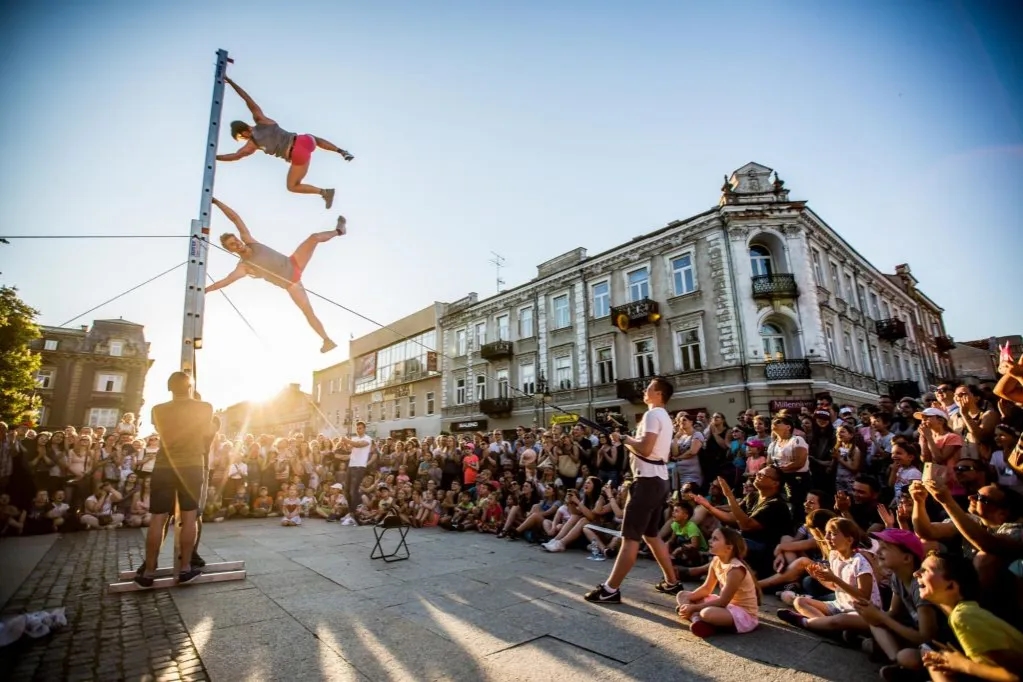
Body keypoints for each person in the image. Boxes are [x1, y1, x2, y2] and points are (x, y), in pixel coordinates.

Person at [205, 197, 344, 353]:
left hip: (293, 262)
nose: (237, 243)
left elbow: (235, 218)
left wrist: (217, 203)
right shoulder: (244, 266)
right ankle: (327, 340)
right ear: (231, 250)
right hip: (292, 283)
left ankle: (339, 231)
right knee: (308, 312)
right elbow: (226, 281)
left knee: (314, 238)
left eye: (235, 240)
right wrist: (205, 290)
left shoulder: (249, 240)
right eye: (232, 244)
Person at [584, 377, 679, 604]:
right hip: (658, 480)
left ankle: (610, 589)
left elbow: (645, 448)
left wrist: (625, 438)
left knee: (630, 538)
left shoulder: (652, 414)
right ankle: (672, 582)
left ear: (658, 393)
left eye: (649, 387)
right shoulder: (664, 416)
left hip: (647, 482)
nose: (644, 390)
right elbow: (648, 449)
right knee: (652, 535)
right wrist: (625, 440)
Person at [216, 76, 353, 208]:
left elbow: (235, 156)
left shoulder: (253, 144)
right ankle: (341, 151)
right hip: (304, 141)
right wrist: (231, 82)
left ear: (242, 132)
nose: (243, 139)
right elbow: (247, 99)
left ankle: (324, 192)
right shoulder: (261, 119)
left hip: (297, 154)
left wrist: (215, 157)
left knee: (292, 186)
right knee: (314, 139)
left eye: (241, 137)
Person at [134, 372, 216, 587]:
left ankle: (149, 570)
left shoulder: (158, 410)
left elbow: (160, 429)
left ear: (169, 388)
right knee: (189, 517)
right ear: (190, 387)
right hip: (191, 465)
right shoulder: (204, 407)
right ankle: (186, 568)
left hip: (164, 465)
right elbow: (206, 429)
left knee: (158, 518)